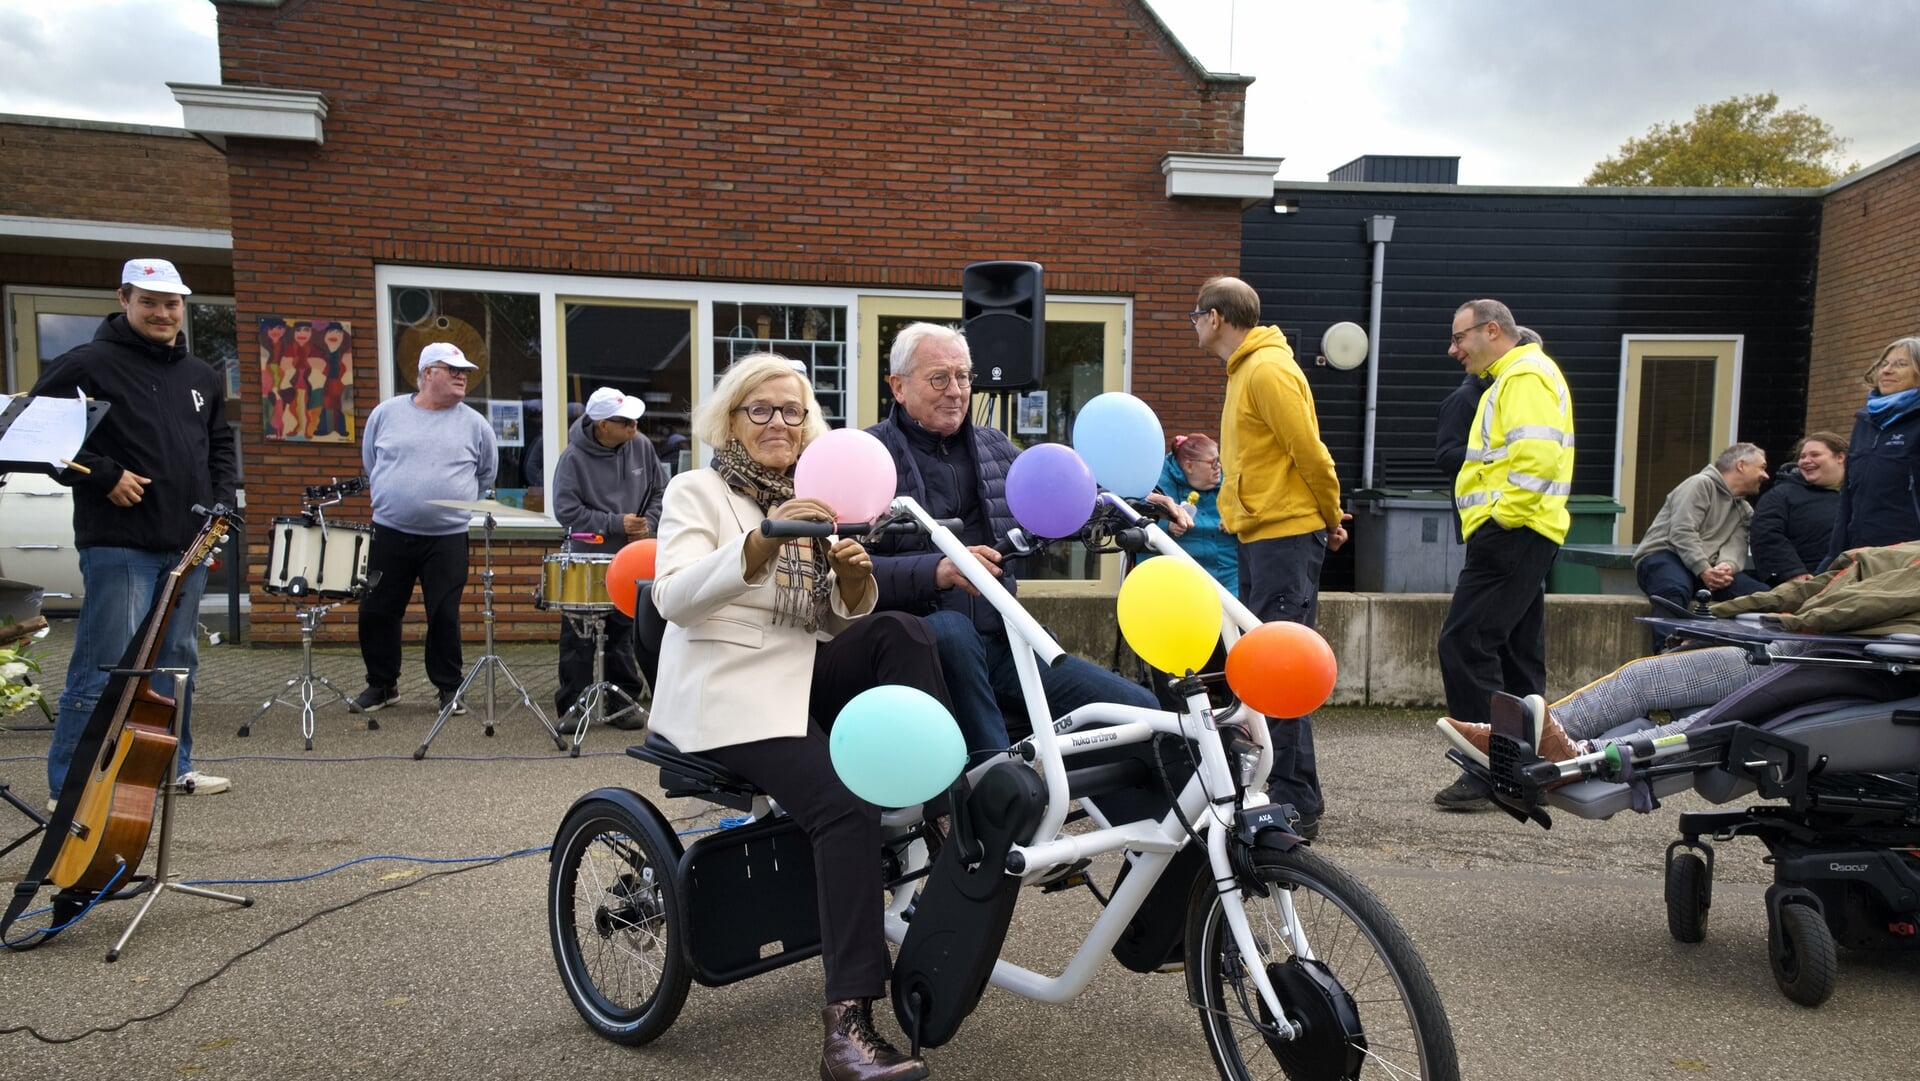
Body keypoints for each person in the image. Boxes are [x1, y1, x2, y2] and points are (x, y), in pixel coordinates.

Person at [649, 352, 950, 1081]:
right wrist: (761, 540)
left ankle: (944, 810)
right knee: (841, 807)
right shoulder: (699, 490)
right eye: (762, 409)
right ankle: (847, 1028)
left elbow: (827, 624)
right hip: (730, 689)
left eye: (793, 411)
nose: (780, 422)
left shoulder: (812, 496)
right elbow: (675, 597)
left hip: (798, 674)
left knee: (905, 630)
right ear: (732, 418)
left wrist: (852, 582)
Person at [864, 322, 1162, 757]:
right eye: (939, 378)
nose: (956, 390)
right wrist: (938, 571)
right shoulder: (869, 458)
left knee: (1139, 710)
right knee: (951, 633)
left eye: (963, 376)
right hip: (924, 650)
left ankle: (1140, 823)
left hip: (1005, 643)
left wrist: (1125, 504)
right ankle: (1000, 785)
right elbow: (846, 571)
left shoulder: (995, 448)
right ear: (898, 387)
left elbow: (1056, 499)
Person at [33, 257, 239, 808]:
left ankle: (174, 768)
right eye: (150, 301)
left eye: (172, 303)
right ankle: (72, 788)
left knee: (176, 665)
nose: (162, 312)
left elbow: (219, 445)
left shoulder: (199, 375)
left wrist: (220, 503)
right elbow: (34, 436)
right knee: (106, 664)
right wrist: (103, 476)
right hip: (119, 543)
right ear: (125, 299)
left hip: (187, 546)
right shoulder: (86, 364)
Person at [1189, 277, 1346, 834]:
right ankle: (1285, 788)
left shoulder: (1267, 369)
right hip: (1263, 534)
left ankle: (1297, 798)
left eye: (1195, 316)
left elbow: (1310, 450)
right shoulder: (1247, 370)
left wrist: (1330, 516)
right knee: (1265, 665)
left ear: (1215, 317)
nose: (1194, 325)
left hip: (1283, 535)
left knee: (1280, 668)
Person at [1433, 300, 1575, 811]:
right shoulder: (1520, 375)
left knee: (1466, 644)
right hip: (1523, 531)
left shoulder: (1522, 376)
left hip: (1512, 531)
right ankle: (1527, 770)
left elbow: (1534, 458)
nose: (1454, 349)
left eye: (1460, 337)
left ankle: (1489, 770)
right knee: (1516, 653)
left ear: (1492, 330)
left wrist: (1503, 517)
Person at [348, 342, 496, 716]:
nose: (463, 376)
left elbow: (486, 474)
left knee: (444, 613)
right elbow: (372, 461)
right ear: (428, 373)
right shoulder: (387, 414)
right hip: (390, 531)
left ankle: (448, 689)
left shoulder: (475, 424)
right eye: (453, 369)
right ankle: (382, 686)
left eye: (465, 371)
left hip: (447, 538)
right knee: (378, 609)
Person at [549, 385, 665, 732]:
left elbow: (661, 491)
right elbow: (565, 510)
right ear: (602, 425)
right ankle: (573, 704)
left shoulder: (641, 447)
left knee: (623, 632)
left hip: (632, 556)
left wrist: (650, 526)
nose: (635, 428)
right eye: (626, 422)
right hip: (589, 557)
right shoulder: (572, 458)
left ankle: (624, 702)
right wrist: (615, 523)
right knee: (578, 636)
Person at [1633, 443, 1770, 627]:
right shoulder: (1700, 484)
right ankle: (1668, 650)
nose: (1766, 475)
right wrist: (1703, 569)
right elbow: (1682, 531)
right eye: (1762, 467)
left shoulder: (1744, 510)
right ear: (1741, 465)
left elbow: (1736, 547)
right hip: (1666, 555)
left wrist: (1725, 567)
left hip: (1707, 570)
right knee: (1673, 589)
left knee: (1763, 596)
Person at [1827, 338, 1920, 563]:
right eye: (1883, 364)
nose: (1887, 371)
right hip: (1860, 551)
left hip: (1907, 557)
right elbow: (1849, 497)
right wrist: (1833, 556)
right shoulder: (1865, 421)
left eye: (1900, 364)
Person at [1144, 433, 1237, 594]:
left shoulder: (1230, 482)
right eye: (1213, 463)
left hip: (1230, 574)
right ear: (1189, 466)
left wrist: (1237, 519)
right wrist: (1167, 525)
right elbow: (1142, 518)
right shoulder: (1159, 485)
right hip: (1182, 576)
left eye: (1219, 461)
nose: (1219, 468)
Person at [1751, 432, 1846, 585]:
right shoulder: (1780, 496)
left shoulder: (1860, 495)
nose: (1806, 461)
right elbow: (1766, 535)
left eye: (1815, 454)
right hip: (1806, 584)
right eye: (1802, 457)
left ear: (1840, 457)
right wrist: (1793, 573)